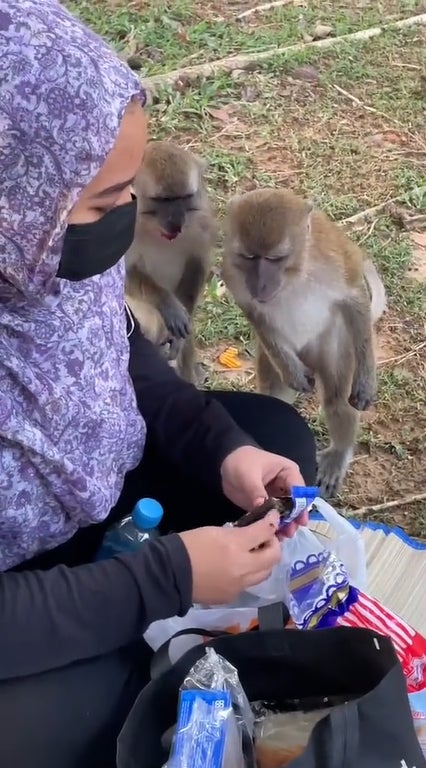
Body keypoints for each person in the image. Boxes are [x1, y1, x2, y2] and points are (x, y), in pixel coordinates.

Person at [0, 2, 316, 767]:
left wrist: (220, 448)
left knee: (272, 442)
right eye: (106, 201)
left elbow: (118, 356)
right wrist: (165, 578)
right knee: (35, 734)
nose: (130, 221)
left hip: (108, 508)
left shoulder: (36, 252)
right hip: (22, 580)